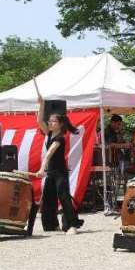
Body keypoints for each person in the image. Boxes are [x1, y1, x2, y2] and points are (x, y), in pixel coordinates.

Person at [36, 96, 84, 235]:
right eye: (49, 121)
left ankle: (71, 226)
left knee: (63, 197)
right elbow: (39, 120)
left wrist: (41, 168)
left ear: (60, 124)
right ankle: (51, 225)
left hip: (60, 172)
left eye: (53, 121)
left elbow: (49, 153)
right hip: (51, 172)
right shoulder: (49, 133)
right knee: (48, 197)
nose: (50, 123)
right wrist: (41, 104)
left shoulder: (60, 138)